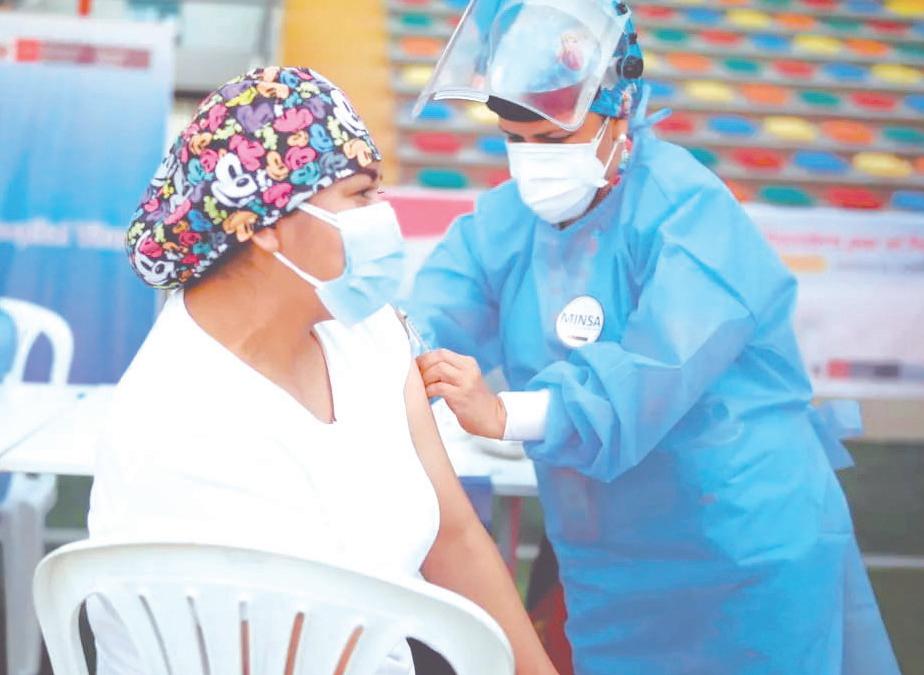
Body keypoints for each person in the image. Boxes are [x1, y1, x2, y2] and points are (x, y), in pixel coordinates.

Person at [406, 1, 901, 673]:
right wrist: (391, 358)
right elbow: (433, 311)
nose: (530, 161)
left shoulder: (688, 211)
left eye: (552, 139)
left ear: (619, 114)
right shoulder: (506, 223)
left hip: (740, 553)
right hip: (610, 567)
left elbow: (655, 371)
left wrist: (503, 413)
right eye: (513, 138)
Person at [87, 66, 557, 675]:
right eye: (361, 195)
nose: (384, 216)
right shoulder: (184, 418)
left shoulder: (367, 332)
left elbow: (454, 538)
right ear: (266, 226)